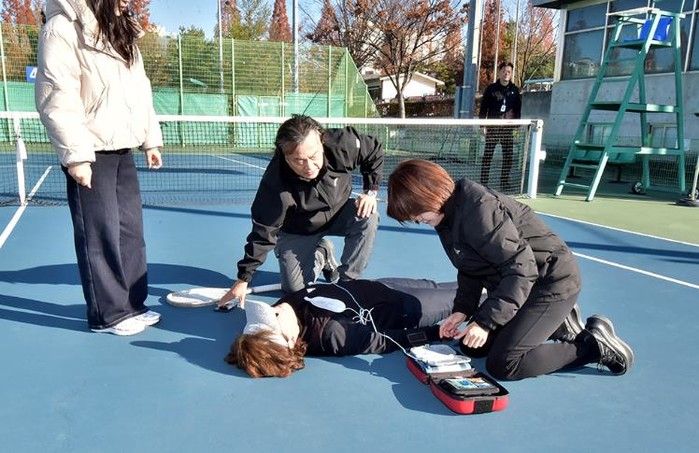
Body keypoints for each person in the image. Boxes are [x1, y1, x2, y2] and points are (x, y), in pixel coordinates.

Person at [386, 159, 634, 381]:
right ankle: (559, 325)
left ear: (430, 195)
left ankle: (594, 347)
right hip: (520, 285)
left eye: (415, 212)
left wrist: (485, 323)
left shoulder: (478, 210)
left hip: (551, 281)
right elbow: (470, 267)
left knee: (505, 364)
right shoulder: (447, 217)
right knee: (472, 347)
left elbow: (522, 269)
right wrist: (462, 310)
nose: (416, 220)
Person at [35, 0, 163, 336]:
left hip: (123, 148)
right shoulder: (62, 28)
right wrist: (77, 156)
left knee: (131, 231)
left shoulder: (122, 30)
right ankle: (108, 314)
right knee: (100, 233)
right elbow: (57, 95)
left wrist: (150, 139)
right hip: (90, 150)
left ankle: (133, 304)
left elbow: (141, 89)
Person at [220, 114, 383, 307]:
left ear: (322, 140)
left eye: (314, 156)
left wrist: (370, 192)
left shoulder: (341, 144)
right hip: (299, 229)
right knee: (295, 292)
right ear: (284, 157)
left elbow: (373, 150)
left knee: (368, 214)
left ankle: (347, 283)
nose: (309, 167)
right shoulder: (275, 184)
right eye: (299, 160)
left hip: (338, 213)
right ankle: (322, 253)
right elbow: (264, 232)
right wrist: (243, 279)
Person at [226, 278, 459, 378]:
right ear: (289, 339)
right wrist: (436, 333)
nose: (272, 310)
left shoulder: (285, 310)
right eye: (273, 318)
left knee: (449, 284)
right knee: (465, 297)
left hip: (381, 285)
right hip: (405, 308)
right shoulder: (333, 334)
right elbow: (384, 341)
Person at [479, 62, 522, 189]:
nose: (506, 74)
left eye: (509, 72)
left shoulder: (515, 90)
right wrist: (482, 125)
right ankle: (484, 182)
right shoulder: (491, 89)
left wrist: (516, 127)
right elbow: (483, 108)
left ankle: (504, 181)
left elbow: (517, 110)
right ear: (499, 72)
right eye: (504, 71)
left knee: (508, 156)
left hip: (507, 129)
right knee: (488, 156)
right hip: (493, 127)